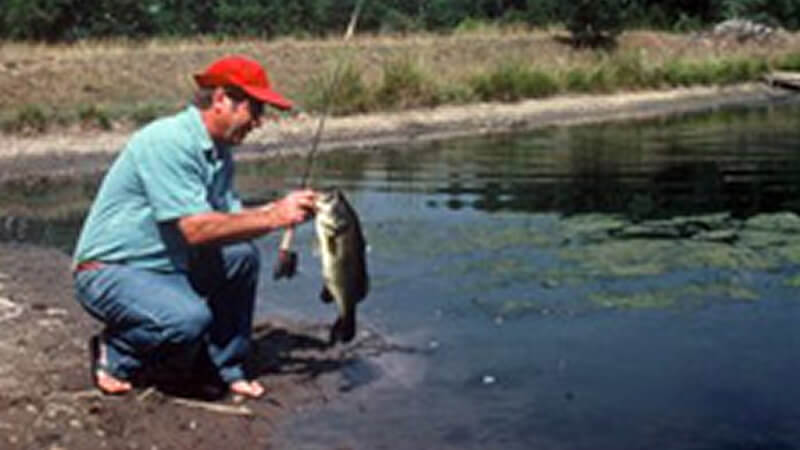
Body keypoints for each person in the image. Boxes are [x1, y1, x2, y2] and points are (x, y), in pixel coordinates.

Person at [72, 55, 316, 398]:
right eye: (255, 109)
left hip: (167, 266)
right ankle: (116, 351)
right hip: (110, 271)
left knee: (241, 256)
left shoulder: (219, 152)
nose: (259, 122)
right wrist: (275, 215)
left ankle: (224, 365)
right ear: (220, 100)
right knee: (186, 320)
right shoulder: (168, 141)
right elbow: (196, 230)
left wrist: (282, 215)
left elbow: (231, 224)